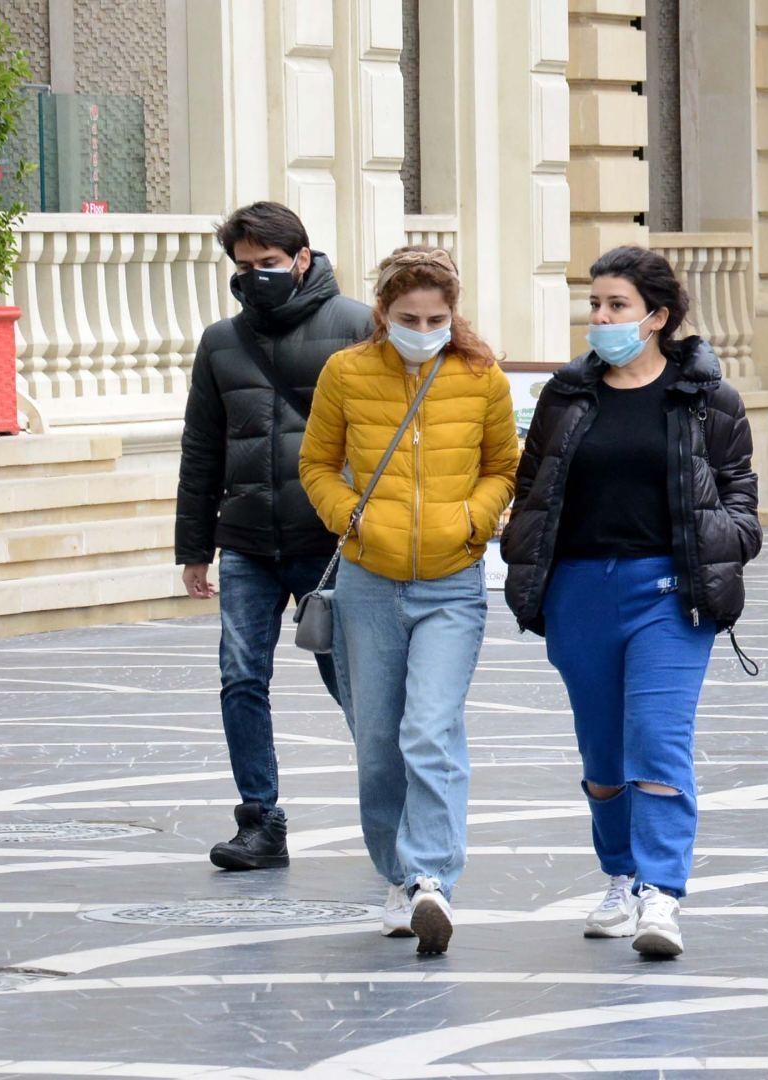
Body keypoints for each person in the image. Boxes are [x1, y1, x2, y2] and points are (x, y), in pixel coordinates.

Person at [501, 246, 762, 959]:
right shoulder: (566, 394)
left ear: (658, 316)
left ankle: (662, 893)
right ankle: (620, 876)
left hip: (668, 593)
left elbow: (741, 493)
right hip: (580, 590)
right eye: (595, 305)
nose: (602, 318)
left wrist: (723, 543)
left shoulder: (707, 396)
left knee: (656, 738)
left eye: (616, 305)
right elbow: (533, 487)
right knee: (603, 752)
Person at [299, 246, 519, 955]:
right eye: (408, 317)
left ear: (453, 314)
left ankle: (431, 880)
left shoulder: (480, 377)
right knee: (377, 746)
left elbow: (503, 466)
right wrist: (347, 515)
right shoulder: (346, 373)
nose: (423, 328)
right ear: (383, 314)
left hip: (452, 584)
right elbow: (315, 462)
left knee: (430, 729)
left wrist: (473, 522)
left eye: (436, 317)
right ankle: (397, 877)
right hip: (368, 583)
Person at [175, 201, 372, 872]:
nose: (256, 275)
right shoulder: (221, 342)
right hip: (249, 542)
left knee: (350, 679)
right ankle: (260, 820)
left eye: (269, 263)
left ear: (302, 259)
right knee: (239, 676)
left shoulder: (356, 325)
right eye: (245, 265)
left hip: (332, 543)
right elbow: (202, 448)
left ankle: (394, 806)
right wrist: (193, 547)